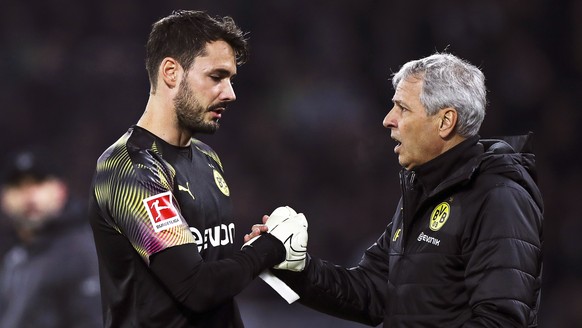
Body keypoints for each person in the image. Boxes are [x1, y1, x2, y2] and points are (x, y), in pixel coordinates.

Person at [249, 52, 544, 327]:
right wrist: (291, 266)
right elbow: (371, 291)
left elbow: (501, 320)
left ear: (445, 121)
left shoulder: (498, 197)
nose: (388, 119)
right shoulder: (424, 191)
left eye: (402, 108)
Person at [88, 10, 307, 328]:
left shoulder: (207, 157)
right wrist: (271, 247)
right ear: (171, 73)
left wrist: (253, 247)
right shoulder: (129, 168)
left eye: (231, 79)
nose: (230, 93)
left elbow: (214, 274)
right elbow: (196, 287)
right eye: (217, 77)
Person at [0, 149, 102, 328]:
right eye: (18, 185)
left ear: (61, 190)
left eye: (39, 182)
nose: (29, 195)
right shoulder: (15, 256)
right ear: (5, 198)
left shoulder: (82, 249)